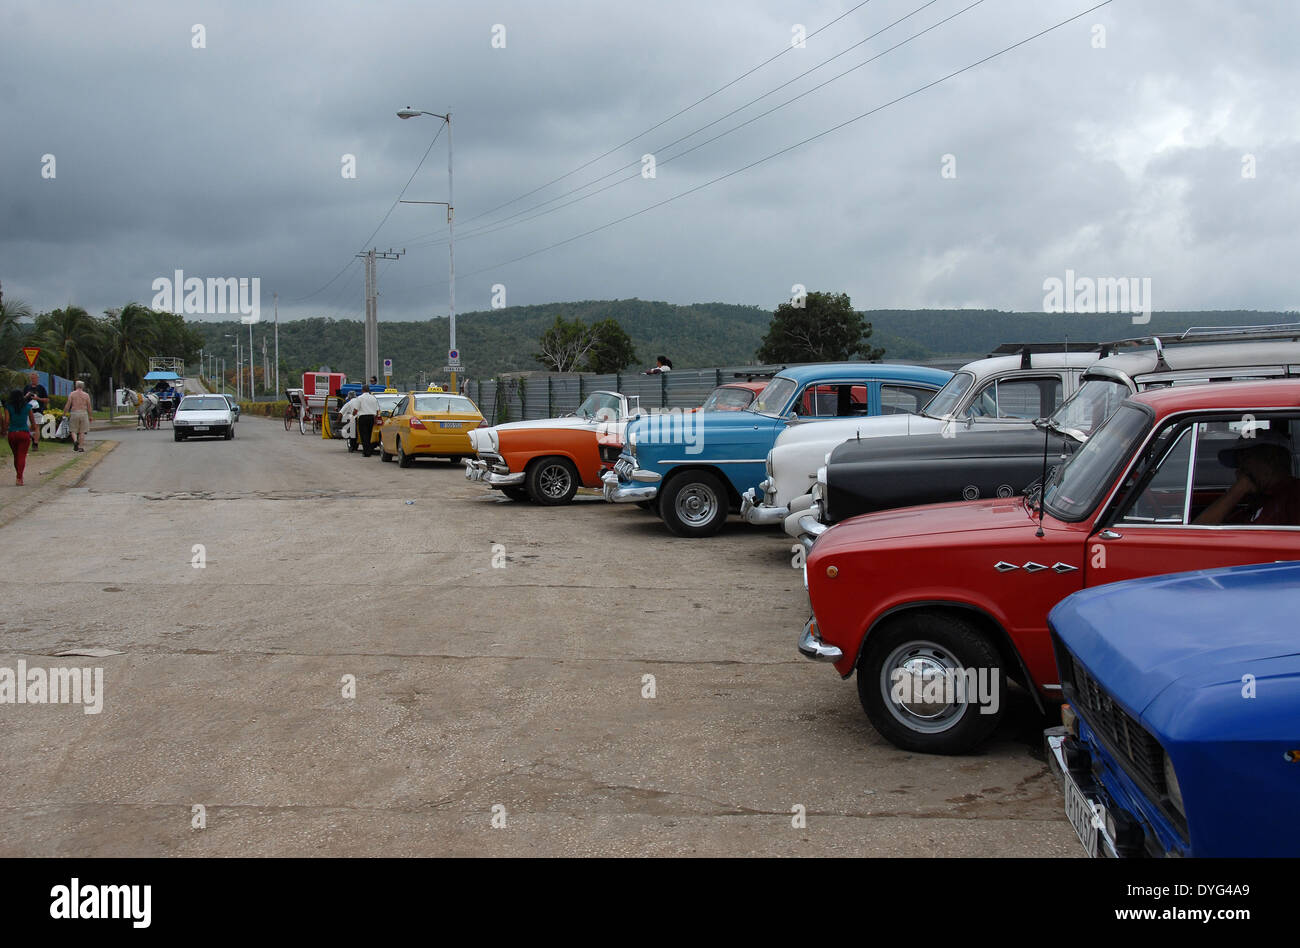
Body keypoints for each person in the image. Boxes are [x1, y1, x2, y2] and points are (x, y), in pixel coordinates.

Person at [1196, 432, 1300, 526]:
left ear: (1271, 458)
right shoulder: (1254, 505)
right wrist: (1238, 490)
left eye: (1245, 458)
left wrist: (1240, 488)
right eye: (1238, 462)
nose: (1240, 469)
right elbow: (1200, 533)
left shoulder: (1294, 496)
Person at [2, 389, 34, 485]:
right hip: (24, 433)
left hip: (12, 433)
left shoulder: (8, 407)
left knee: (16, 456)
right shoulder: (28, 407)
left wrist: (4, 431)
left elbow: (7, 421)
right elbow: (33, 422)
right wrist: (32, 429)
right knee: (22, 456)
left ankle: (18, 475)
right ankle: (19, 478)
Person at [352, 385, 381, 457]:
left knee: (363, 435)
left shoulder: (360, 398)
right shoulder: (373, 398)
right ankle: (369, 451)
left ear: (362, 390)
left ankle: (366, 452)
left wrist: (353, 415)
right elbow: (377, 410)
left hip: (363, 418)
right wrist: (376, 418)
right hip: (371, 417)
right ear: (369, 390)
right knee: (369, 434)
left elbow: (356, 409)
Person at [23, 372, 48, 452]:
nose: (33, 380)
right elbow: (22, 399)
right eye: (31, 378)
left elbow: (46, 399)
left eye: (34, 378)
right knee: (28, 427)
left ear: (37, 379)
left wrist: (38, 399)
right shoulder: (27, 388)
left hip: (38, 410)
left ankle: (35, 444)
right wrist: (26, 396)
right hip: (28, 410)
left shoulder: (41, 388)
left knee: (36, 427)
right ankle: (29, 441)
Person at [65, 380, 93, 452]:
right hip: (83, 413)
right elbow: (89, 406)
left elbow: (68, 404)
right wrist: (90, 416)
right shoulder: (86, 395)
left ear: (76, 386)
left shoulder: (72, 394)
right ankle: (80, 447)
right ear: (83, 386)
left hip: (74, 412)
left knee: (73, 430)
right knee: (82, 431)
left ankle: (75, 441)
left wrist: (64, 413)